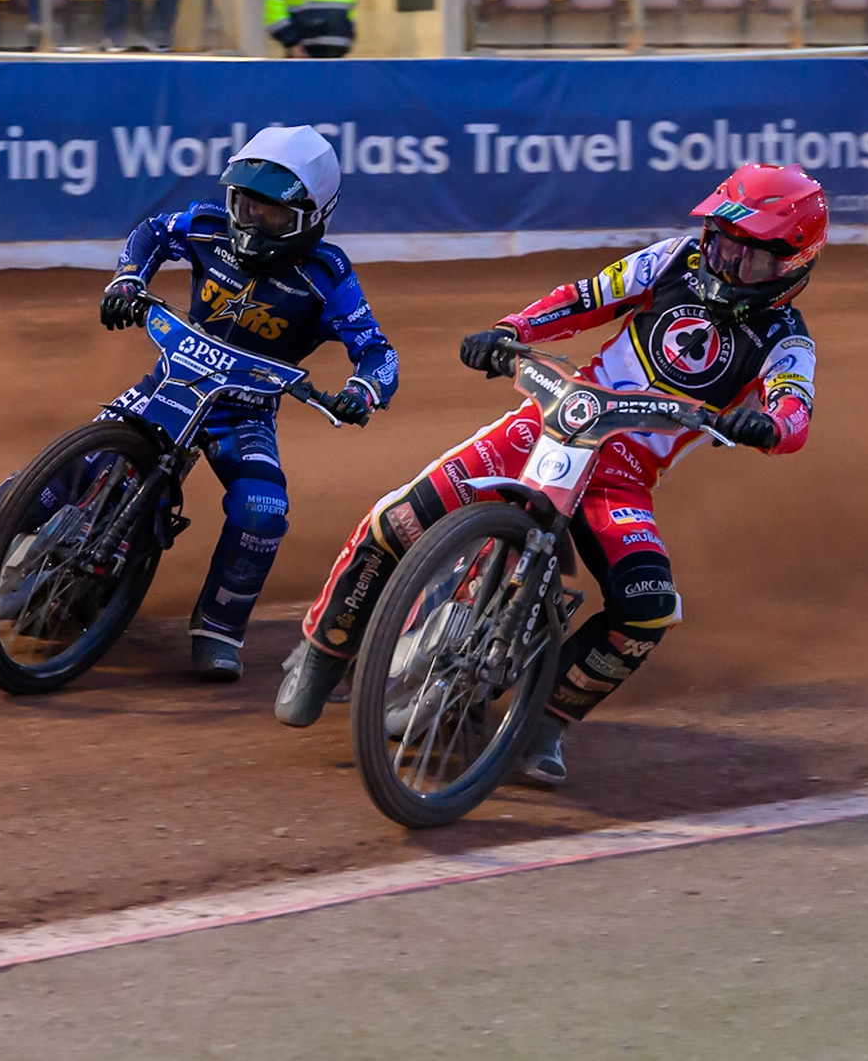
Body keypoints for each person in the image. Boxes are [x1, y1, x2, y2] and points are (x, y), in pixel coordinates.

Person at [278, 164, 825, 787]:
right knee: (399, 517)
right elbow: (586, 297)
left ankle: (545, 722)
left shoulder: (787, 340)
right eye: (719, 243)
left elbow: (794, 409)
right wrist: (511, 330)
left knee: (648, 609)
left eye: (745, 257)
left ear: (791, 265)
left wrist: (771, 427)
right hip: (552, 423)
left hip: (621, 479)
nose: (724, 263)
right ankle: (322, 654)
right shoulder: (671, 259)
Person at [0, 126, 400, 682]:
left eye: (270, 214)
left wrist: (363, 391)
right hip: (171, 381)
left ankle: (219, 630)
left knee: (263, 513)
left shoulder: (329, 275)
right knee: (82, 455)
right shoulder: (206, 225)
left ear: (312, 217)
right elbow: (150, 232)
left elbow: (378, 352)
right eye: (244, 204)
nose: (250, 223)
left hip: (242, 414)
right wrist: (128, 279)